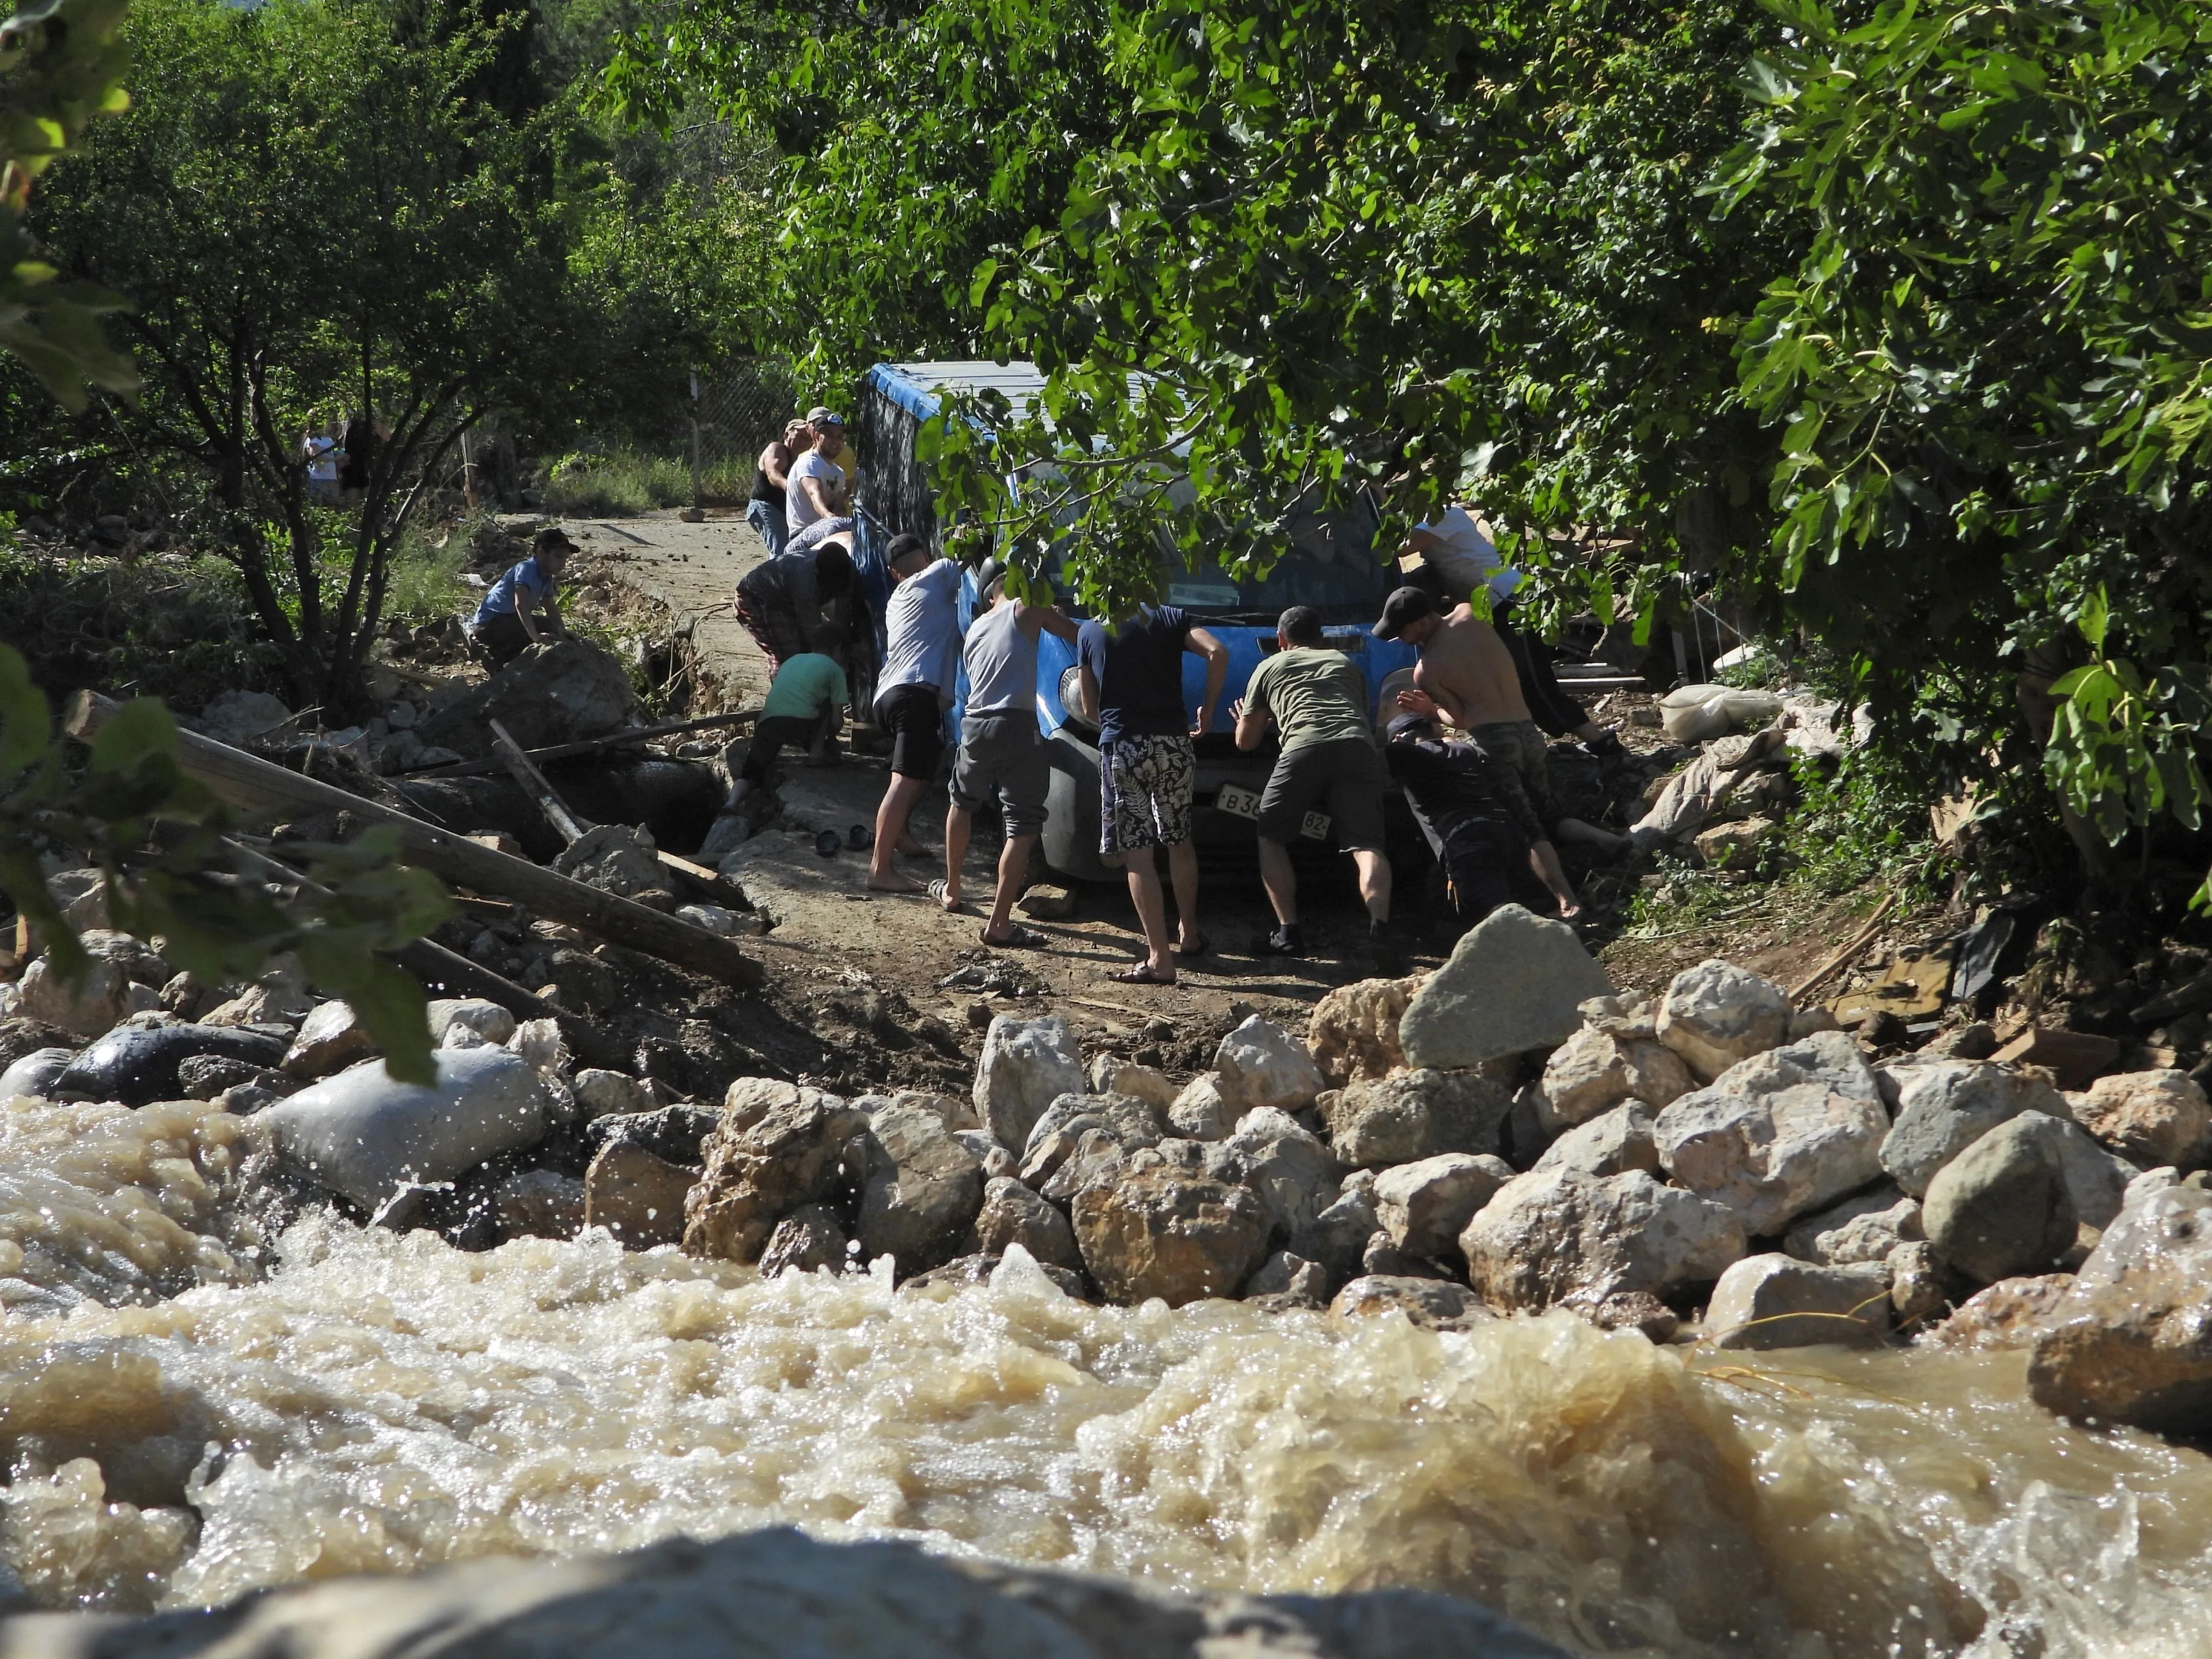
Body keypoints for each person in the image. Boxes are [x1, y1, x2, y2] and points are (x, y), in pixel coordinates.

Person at [1373, 586, 1627, 855]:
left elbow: (1459, 719)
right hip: (1529, 730)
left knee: (1527, 827)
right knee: (1548, 811)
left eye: (1403, 632)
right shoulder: (1470, 613)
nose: (1401, 639)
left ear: (1422, 622)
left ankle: (1560, 893)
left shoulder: (1427, 670)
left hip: (1493, 741)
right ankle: (1602, 840)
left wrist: (1431, 712)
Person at [1074, 597, 1228, 985]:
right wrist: (1208, 710)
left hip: (1124, 746)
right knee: (1179, 840)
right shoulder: (1170, 617)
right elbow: (1218, 652)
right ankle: (1189, 934)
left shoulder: (1089, 632)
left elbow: (1090, 709)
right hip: (1173, 744)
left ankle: (1160, 958)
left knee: (1139, 855)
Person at [1231, 605, 1396, 965]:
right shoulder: (1344, 663)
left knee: (1271, 836)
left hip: (1303, 748)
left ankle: (1289, 933)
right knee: (1367, 845)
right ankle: (1380, 928)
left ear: (1281, 640)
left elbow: (1245, 742)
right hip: (1356, 746)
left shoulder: (1268, 666)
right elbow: (1358, 716)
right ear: (1320, 638)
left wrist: (1248, 719)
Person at [936, 562, 1081, 947]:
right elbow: (1079, 636)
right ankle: (999, 923)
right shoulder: (1027, 607)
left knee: (962, 802)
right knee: (1023, 824)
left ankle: (952, 889)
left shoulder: (977, 629)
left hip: (974, 726)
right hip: (1016, 725)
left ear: (987, 595)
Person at [1402, 504, 1622, 750]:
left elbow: (1399, 548)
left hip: (1510, 601)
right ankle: (1535, 743)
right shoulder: (1425, 519)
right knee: (1511, 679)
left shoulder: (1442, 514)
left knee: (1533, 679)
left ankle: (1600, 742)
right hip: (1490, 607)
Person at [1384, 711, 1582, 925]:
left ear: (1399, 738)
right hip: (1507, 832)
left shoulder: (1403, 754)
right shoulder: (1465, 750)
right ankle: (1560, 918)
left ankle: (1538, 941)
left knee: (1495, 912)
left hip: (1465, 839)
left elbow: (1380, 757)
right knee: (1519, 903)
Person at [866, 533, 964, 892]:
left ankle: (901, 835)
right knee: (904, 780)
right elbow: (965, 551)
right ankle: (880, 868)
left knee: (927, 765)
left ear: (893, 573)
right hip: (914, 693)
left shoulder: (896, 599)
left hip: (889, 694)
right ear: (925, 553)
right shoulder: (938, 573)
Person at [698, 630, 850, 861]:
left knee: (752, 770)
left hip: (769, 720)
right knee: (828, 706)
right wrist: (831, 739)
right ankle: (815, 754)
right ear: (837, 650)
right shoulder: (835, 669)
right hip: (803, 723)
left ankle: (731, 803)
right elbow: (838, 720)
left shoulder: (792, 661)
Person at [733, 541, 855, 676]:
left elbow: (842, 617)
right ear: (819, 576)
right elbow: (815, 638)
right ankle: (785, 694)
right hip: (755, 600)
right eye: (831, 587)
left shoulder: (849, 572)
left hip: (785, 600)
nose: (835, 590)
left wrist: (846, 647)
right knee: (788, 657)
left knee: (806, 650)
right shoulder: (807, 586)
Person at [467, 526, 572, 668]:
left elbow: (550, 606)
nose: (563, 563)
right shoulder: (526, 569)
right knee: (539, 628)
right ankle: (495, 657)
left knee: (549, 626)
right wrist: (534, 636)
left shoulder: (546, 577)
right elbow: (520, 604)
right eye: (558, 556)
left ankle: (506, 659)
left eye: (566, 558)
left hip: (507, 622)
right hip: (488, 624)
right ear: (541, 554)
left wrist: (562, 632)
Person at [748, 419, 810, 558]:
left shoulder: (803, 460)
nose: (804, 442)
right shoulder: (777, 449)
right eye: (799, 437)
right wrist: (788, 486)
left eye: (807, 439)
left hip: (784, 513)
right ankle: (775, 578)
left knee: (794, 550)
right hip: (764, 506)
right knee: (781, 551)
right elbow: (773, 474)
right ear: (786, 435)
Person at [785, 409, 850, 533]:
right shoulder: (808, 463)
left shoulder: (839, 473)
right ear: (817, 436)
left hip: (827, 531)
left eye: (840, 436)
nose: (836, 441)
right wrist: (829, 517)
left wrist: (841, 520)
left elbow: (839, 505)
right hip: (803, 533)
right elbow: (814, 493)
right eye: (830, 435)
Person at [303, 419, 340, 503]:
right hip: (317, 479)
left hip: (332, 479)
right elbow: (317, 457)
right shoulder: (313, 440)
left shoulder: (329, 440)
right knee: (318, 506)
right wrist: (337, 459)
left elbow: (334, 453)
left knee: (332, 507)